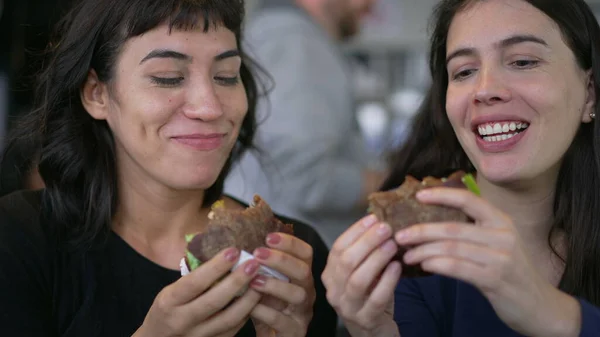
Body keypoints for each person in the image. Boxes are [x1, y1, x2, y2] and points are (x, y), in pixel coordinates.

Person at [0, 0, 337, 336]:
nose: (208, 106)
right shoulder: (19, 241)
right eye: (168, 78)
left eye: (226, 76)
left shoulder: (293, 258)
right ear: (96, 93)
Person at [321, 0, 600, 336]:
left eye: (523, 61)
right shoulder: (411, 254)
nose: (485, 90)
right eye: (464, 72)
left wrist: (551, 314)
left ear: (590, 94)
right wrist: (375, 332)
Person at [224, 0, 384, 246]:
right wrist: (392, 183)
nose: (372, 6)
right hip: (291, 259)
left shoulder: (283, 36)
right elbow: (306, 179)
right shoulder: (296, 41)